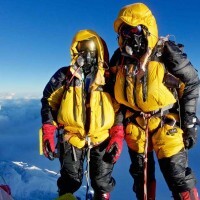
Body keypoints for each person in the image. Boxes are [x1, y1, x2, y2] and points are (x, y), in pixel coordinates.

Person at [109, 2, 200, 200]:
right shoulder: (119, 59)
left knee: (179, 179)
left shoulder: (165, 51)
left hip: (166, 124)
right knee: (140, 181)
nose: (129, 35)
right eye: (124, 31)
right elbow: (112, 97)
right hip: (135, 127)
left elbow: (192, 82)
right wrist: (117, 128)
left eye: (134, 28)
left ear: (147, 28)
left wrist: (190, 122)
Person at [40, 29, 124, 200]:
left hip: (101, 137)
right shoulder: (64, 76)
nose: (85, 53)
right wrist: (48, 130)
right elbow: (49, 101)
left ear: (99, 50)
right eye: (81, 48)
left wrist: (117, 135)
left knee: (101, 181)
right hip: (71, 137)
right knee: (70, 181)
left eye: (90, 47)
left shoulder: (108, 78)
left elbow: (119, 109)